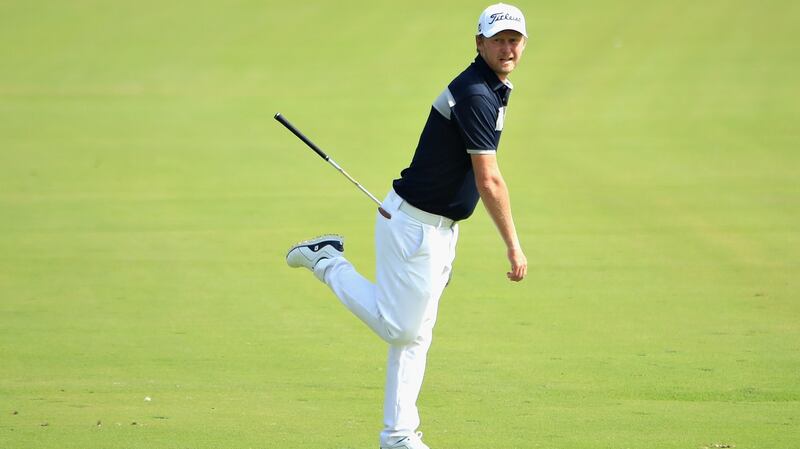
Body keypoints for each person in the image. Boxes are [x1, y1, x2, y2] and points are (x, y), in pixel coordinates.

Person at [286, 4, 528, 448]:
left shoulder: (493, 88)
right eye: (498, 40)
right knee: (401, 329)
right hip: (414, 227)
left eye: (514, 40)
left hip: (437, 229)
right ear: (479, 43)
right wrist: (513, 245)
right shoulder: (475, 93)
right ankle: (327, 261)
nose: (507, 48)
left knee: (415, 334)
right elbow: (488, 177)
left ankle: (398, 436)